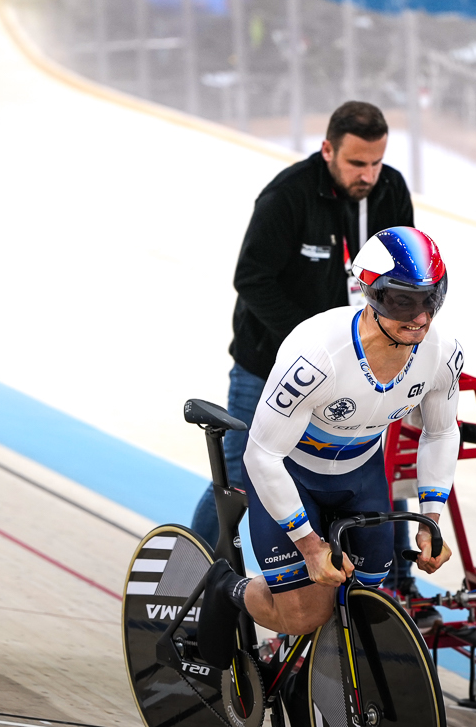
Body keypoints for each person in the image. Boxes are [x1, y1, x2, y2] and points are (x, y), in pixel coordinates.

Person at [192, 227, 461, 663]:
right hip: (291, 476)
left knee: (368, 603)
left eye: (432, 298)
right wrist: (309, 545)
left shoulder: (442, 353)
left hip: (361, 473)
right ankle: (228, 588)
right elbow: (260, 456)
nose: (420, 317)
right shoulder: (316, 355)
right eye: (403, 301)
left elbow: (441, 433)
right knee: (305, 614)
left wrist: (430, 519)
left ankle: (308, 678)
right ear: (370, 295)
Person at [189, 101, 415, 549]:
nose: (367, 175)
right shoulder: (288, 195)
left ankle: (376, 594)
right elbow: (251, 278)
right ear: (327, 149)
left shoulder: (390, 190)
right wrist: (312, 343)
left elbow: (404, 276)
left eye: (376, 162)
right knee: (241, 477)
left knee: (365, 470)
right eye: (356, 163)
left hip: (353, 372)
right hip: (268, 367)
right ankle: (195, 582)